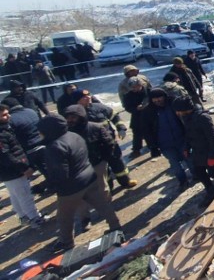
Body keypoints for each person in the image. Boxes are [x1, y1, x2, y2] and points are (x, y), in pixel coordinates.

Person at [37, 114, 121, 253]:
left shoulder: (54, 147)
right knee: (102, 204)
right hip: (89, 177)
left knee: (64, 216)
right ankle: (115, 226)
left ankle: (67, 242)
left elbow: (60, 174)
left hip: (71, 188)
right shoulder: (73, 135)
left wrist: (47, 186)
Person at [64, 105, 118, 233]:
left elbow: (109, 143)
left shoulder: (95, 127)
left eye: (73, 117)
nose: (70, 120)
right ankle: (85, 219)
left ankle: (107, 212)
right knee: (81, 196)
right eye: (67, 118)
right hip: (77, 170)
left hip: (97, 165)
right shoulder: (65, 132)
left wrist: (104, 160)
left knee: (102, 189)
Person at [73, 89, 138, 188]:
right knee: (102, 169)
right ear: (77, 100)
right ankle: (108, 187)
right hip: (93, 147)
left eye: (89, 95)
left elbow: (114, 116)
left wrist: (121, 128)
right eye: (84, 97)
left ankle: (126, 181)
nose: (88, 98)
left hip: (109, 143)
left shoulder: (99, 107)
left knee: (118, 163)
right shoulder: (74, 114)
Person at [0, 104, 49, 229]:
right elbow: (6, 156)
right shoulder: (1, 134)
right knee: (24, 194)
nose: (8, 116)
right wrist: (24, 168)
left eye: (7, 113)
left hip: (8, 172)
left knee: (15, 194)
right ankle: (35, 219)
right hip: (13, 171)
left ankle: (23, 216)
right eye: (4, 115)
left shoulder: (5, 129)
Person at [173, 96, 214, 208]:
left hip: (209, 151)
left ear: (185, 109)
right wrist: (186, 148)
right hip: (197, 152)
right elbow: (187, 134)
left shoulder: (203, 118)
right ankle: (211, 192)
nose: (177, 113)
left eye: (178, 110)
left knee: (213, 172)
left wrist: (213, 156)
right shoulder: (186, 117)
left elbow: (213, 137)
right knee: (199, 173)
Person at [142, 88, 191, 190]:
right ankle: (183, 181)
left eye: (159, 97)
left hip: (182, 139)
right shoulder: (148, 111)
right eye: (154, 99)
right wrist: (153, 147)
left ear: (164, 96)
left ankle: (197, 176)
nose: (157, 101)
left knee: (189, 159)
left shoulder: (174, 104)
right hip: (165, 144)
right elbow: (147, 131)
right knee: (175, 164)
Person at [2, 98, 49, 191]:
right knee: (48, 169)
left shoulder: (11, 119)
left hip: (28, 150)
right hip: (42, 144)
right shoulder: (31, 111)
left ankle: (50, 186)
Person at [123, 77, 156, 159]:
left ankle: (153, 148)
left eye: (137, 86)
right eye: (133, 87)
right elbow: (127, 107)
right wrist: (136, 109)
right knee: (137, 135)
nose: (135, 89)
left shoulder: (149, 91)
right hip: (137, 117)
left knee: (150, 133)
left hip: (149, 116)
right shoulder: (128, 95)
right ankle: (136, 150)